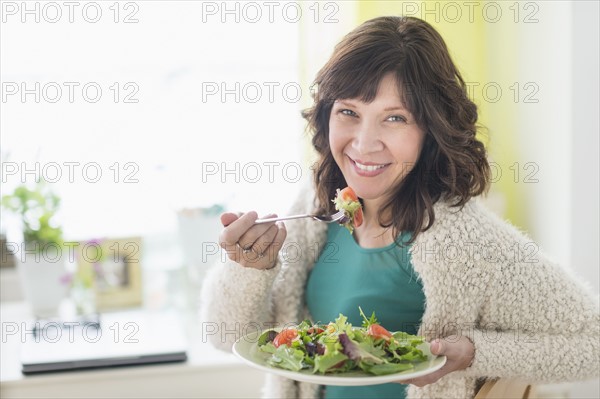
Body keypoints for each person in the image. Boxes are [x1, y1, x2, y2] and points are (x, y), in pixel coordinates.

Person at [201, 16, 599, 399]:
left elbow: (594, 345)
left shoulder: (468, 240)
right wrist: (248, 268)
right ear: (326, 115)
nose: (364, 143)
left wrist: (476, 353)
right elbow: (225, 337)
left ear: (432, 129)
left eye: (394, 118)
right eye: (349, 112)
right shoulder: (316, 206)